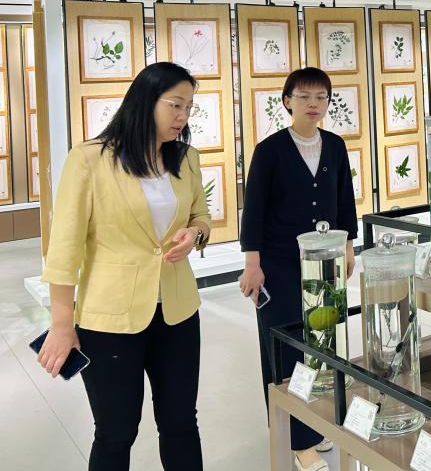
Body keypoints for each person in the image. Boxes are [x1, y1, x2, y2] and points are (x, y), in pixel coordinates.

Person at [37, 62, 211, 471]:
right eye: (175, 105)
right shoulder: (90, 159)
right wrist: (62, 324)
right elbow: (64, 248)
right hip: (109, 320)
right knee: (115, 431)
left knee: (181, 423)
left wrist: (195, 235)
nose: (183, 116)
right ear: (145, 101)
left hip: (178, 312)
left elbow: (201, 217)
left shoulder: (186, 158)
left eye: (189, 107)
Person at [239, 67, 358, 471]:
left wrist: (349, 246)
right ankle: (297, 440)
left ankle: (317, 421)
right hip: (278, 264)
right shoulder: (270, 150)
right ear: (287, 101)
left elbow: (344, 199)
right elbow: (254, 209)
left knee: (322, 342)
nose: (313, 104)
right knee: (286, 347)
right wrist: (252, 264)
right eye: (304, 96)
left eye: (321, 97)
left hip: (324, 259)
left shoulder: (335, 146)